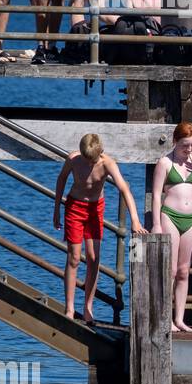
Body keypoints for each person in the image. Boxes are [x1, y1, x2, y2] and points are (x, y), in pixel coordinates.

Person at [52, 134, 146, 324]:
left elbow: (124, 189)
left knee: (94, 258)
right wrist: (56, 210)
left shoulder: (107, 163)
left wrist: (135, 220)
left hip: (96, 209)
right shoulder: (73, 159)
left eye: (92, 160)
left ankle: (88, 307)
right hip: (74, 207)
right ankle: (70, 307)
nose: (88, 164)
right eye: (85, 159)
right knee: (74, 257)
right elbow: (61, 179)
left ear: (100, 153)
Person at [150, 122, 192, 332]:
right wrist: (156, 223)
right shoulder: (165, 163)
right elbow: (157, 194)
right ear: (176, 141)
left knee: (185, 271)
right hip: (171, 216)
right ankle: (165, 316)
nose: (189, 149)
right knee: (172, 270)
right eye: (185, 145)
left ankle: (180, 318)